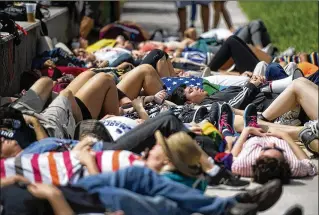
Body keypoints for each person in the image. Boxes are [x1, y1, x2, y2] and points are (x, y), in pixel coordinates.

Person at [0, 168, 283, 215]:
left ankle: (228, 206)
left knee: (138, 175)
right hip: (70, 205)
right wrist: (55, 198)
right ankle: (230, 206)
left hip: (75, 187)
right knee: (160, 206)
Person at [217, 103, 317, 184]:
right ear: (286, 163)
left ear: (255, 162)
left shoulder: (242, 166)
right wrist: (284, 135)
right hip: (277, 136)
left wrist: (247, 130)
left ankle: (226, 129)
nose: (272, 145)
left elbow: (231, 158)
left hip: (251, 139)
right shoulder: (294, 168)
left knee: (229, 141)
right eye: (279, 150)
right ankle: (253, 125)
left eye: (265, 149)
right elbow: (308, 163)